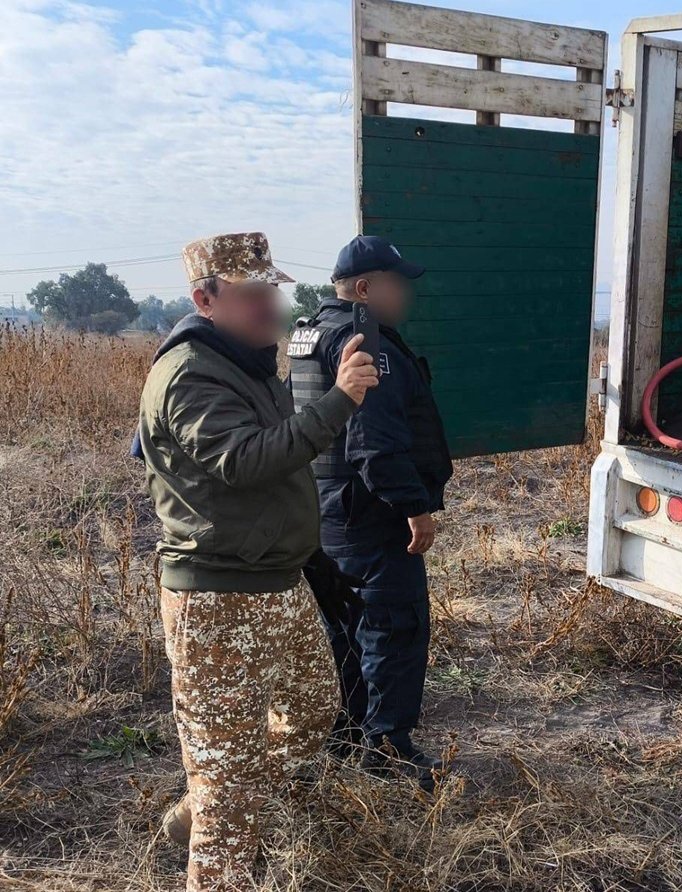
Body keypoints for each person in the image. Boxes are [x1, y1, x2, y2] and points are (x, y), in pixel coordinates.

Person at [137, 232, 378, 892]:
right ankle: (217, 824)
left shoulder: (242, 359)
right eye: (252, 295)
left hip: (278, 583)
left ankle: (204, 807)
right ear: (205, 299)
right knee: (232, 788)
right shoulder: (189, 374)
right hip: (217, 601)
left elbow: (274, 450)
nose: (270, 305)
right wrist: (340, 401)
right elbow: (246, 461)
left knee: (309, 710)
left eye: (271, 290)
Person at [288, 235, 453, 786]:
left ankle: (349, 734)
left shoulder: (309, 332)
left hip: (323, 510)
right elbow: (374, 444)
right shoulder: (365, 342)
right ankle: (387, 750)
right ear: (364, 287)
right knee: (391, 627)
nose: (405, 294)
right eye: (397, 283)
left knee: (345, 627)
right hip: (369, 514)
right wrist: (415, 507)